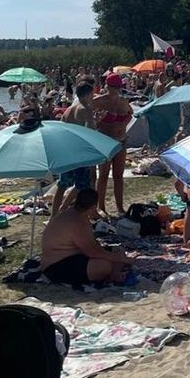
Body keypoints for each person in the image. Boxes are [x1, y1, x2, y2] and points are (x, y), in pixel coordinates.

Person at [40, 188, 134, 287]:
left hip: (75, 255)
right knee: (104, 266)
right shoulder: (75, 221)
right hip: (56, 265)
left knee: (118, 249)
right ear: (93, 207)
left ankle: (114, 273)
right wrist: (118, 259)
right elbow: (92, 252)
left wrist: (115, 256)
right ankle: (113, 272)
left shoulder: (78, 214)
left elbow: (93, 245)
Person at [51, 83, 97, 216]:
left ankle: (55, 215)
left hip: (67, 151)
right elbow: (90, 131)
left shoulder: (68, 110)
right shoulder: (86, 109)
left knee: (62, 185)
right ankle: (79, 216)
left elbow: (61, 130)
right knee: (82, 185)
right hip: (80, 153)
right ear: (88, 94)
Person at [94, 73, 132, 215]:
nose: (116, 90)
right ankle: (101, 206)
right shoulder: (99, 101)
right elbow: (90, 120)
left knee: (118, 176)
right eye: (114, 87)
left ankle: (120, 207)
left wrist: (124, 123)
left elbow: (131, 113)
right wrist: (98, 121)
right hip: (105, 141)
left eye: (118, 87)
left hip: (121, 140)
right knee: (103, 175)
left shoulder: (123, 101)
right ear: (107, 87)